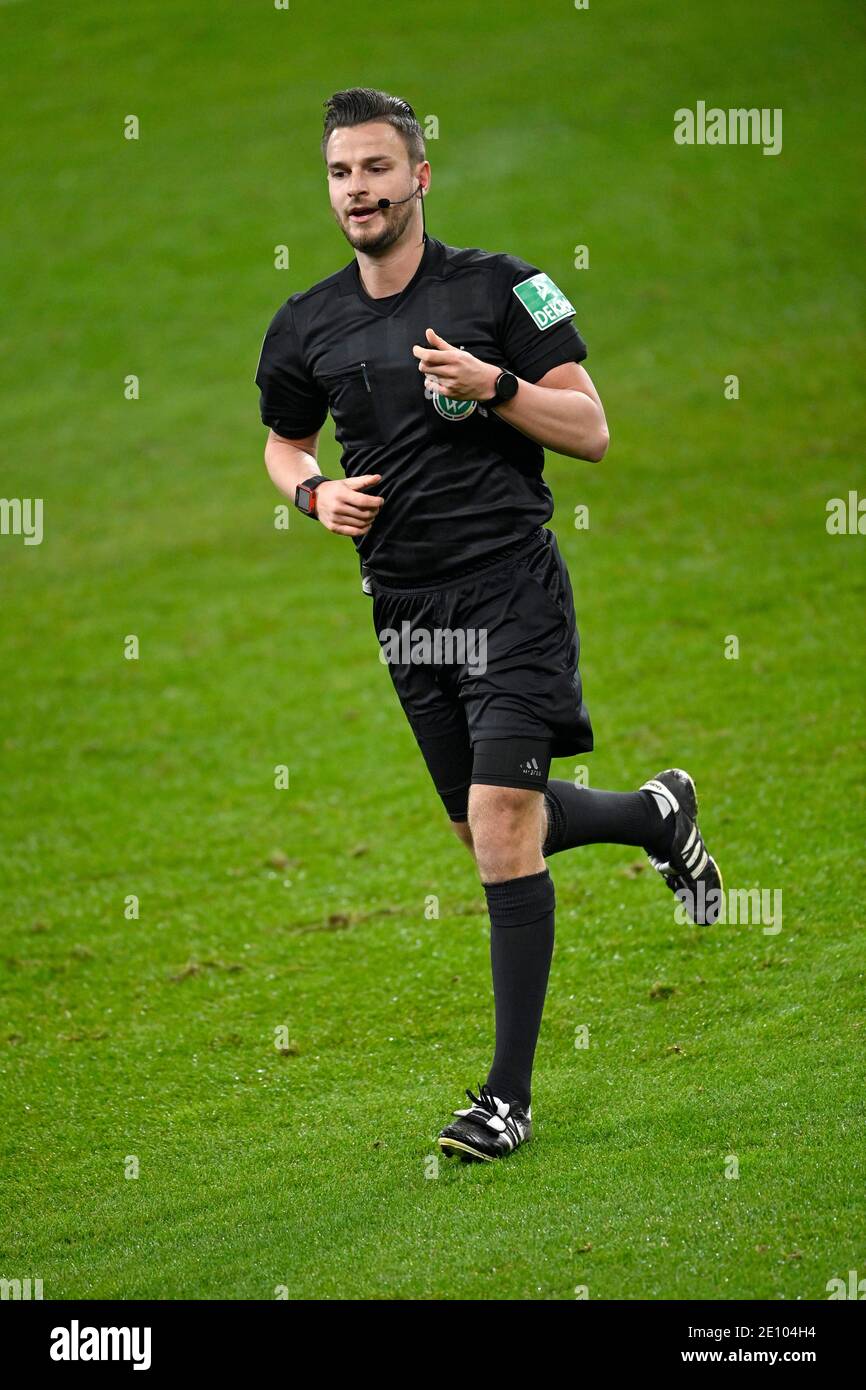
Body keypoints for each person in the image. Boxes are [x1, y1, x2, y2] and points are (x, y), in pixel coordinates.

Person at [255, 87, 722, 1163]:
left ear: (419, 177)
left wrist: (493, 381)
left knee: (501, 827)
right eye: (339, 173)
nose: (357, 190)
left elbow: (591, 428)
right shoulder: (306, 323)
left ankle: (503, 1099)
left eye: (377, 169)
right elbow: (283, 444)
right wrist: (311, 495)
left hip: (509, 590)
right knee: (484, 827)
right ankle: (655, 817)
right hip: (406, 614)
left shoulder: (502, 287)